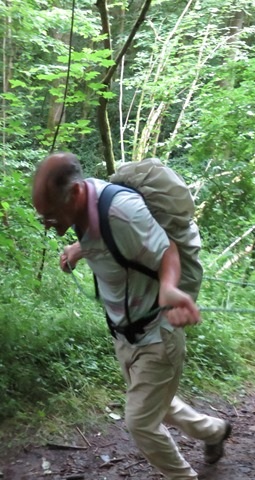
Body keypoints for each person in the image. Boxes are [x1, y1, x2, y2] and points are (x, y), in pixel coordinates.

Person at [32, 152, 231, 480]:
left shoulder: (122, 212)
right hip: (125, 334)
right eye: (44, 217)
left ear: (77, 193)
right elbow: (107, 237)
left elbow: (166, 249)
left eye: (51, 215)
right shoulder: (86, 207)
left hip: (157, 333)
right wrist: (79, 249)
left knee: (140, 422)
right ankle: (214, 431)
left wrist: (168, 288)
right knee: (158, 405)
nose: (48, 224)